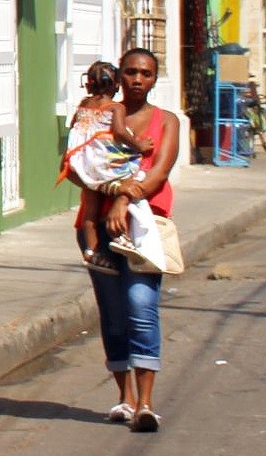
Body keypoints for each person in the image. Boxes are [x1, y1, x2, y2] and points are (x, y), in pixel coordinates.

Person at [73, 47, 180, 433]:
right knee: (113, 314)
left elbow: (158, 174)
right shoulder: (101, 113)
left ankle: (147, 404)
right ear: (120, 77)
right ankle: (125, 399)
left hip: (144, 225)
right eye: (131, 72)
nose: (138, 80)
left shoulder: (167, 122)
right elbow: (77, 160)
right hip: (99, 227)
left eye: (146, 74)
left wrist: (121, 198)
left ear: (154, 79)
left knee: (140, 306)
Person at [61, 60, 157, 273]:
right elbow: (121, 132)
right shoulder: (116, 107)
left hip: (83, 161)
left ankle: (91, 252)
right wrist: (139, 145)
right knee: (133, 173)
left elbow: (75, 127)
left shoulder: (83, 104)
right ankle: (121, 237)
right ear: (116, 86)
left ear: (88, 85)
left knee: (90, 211)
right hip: (104, 161)